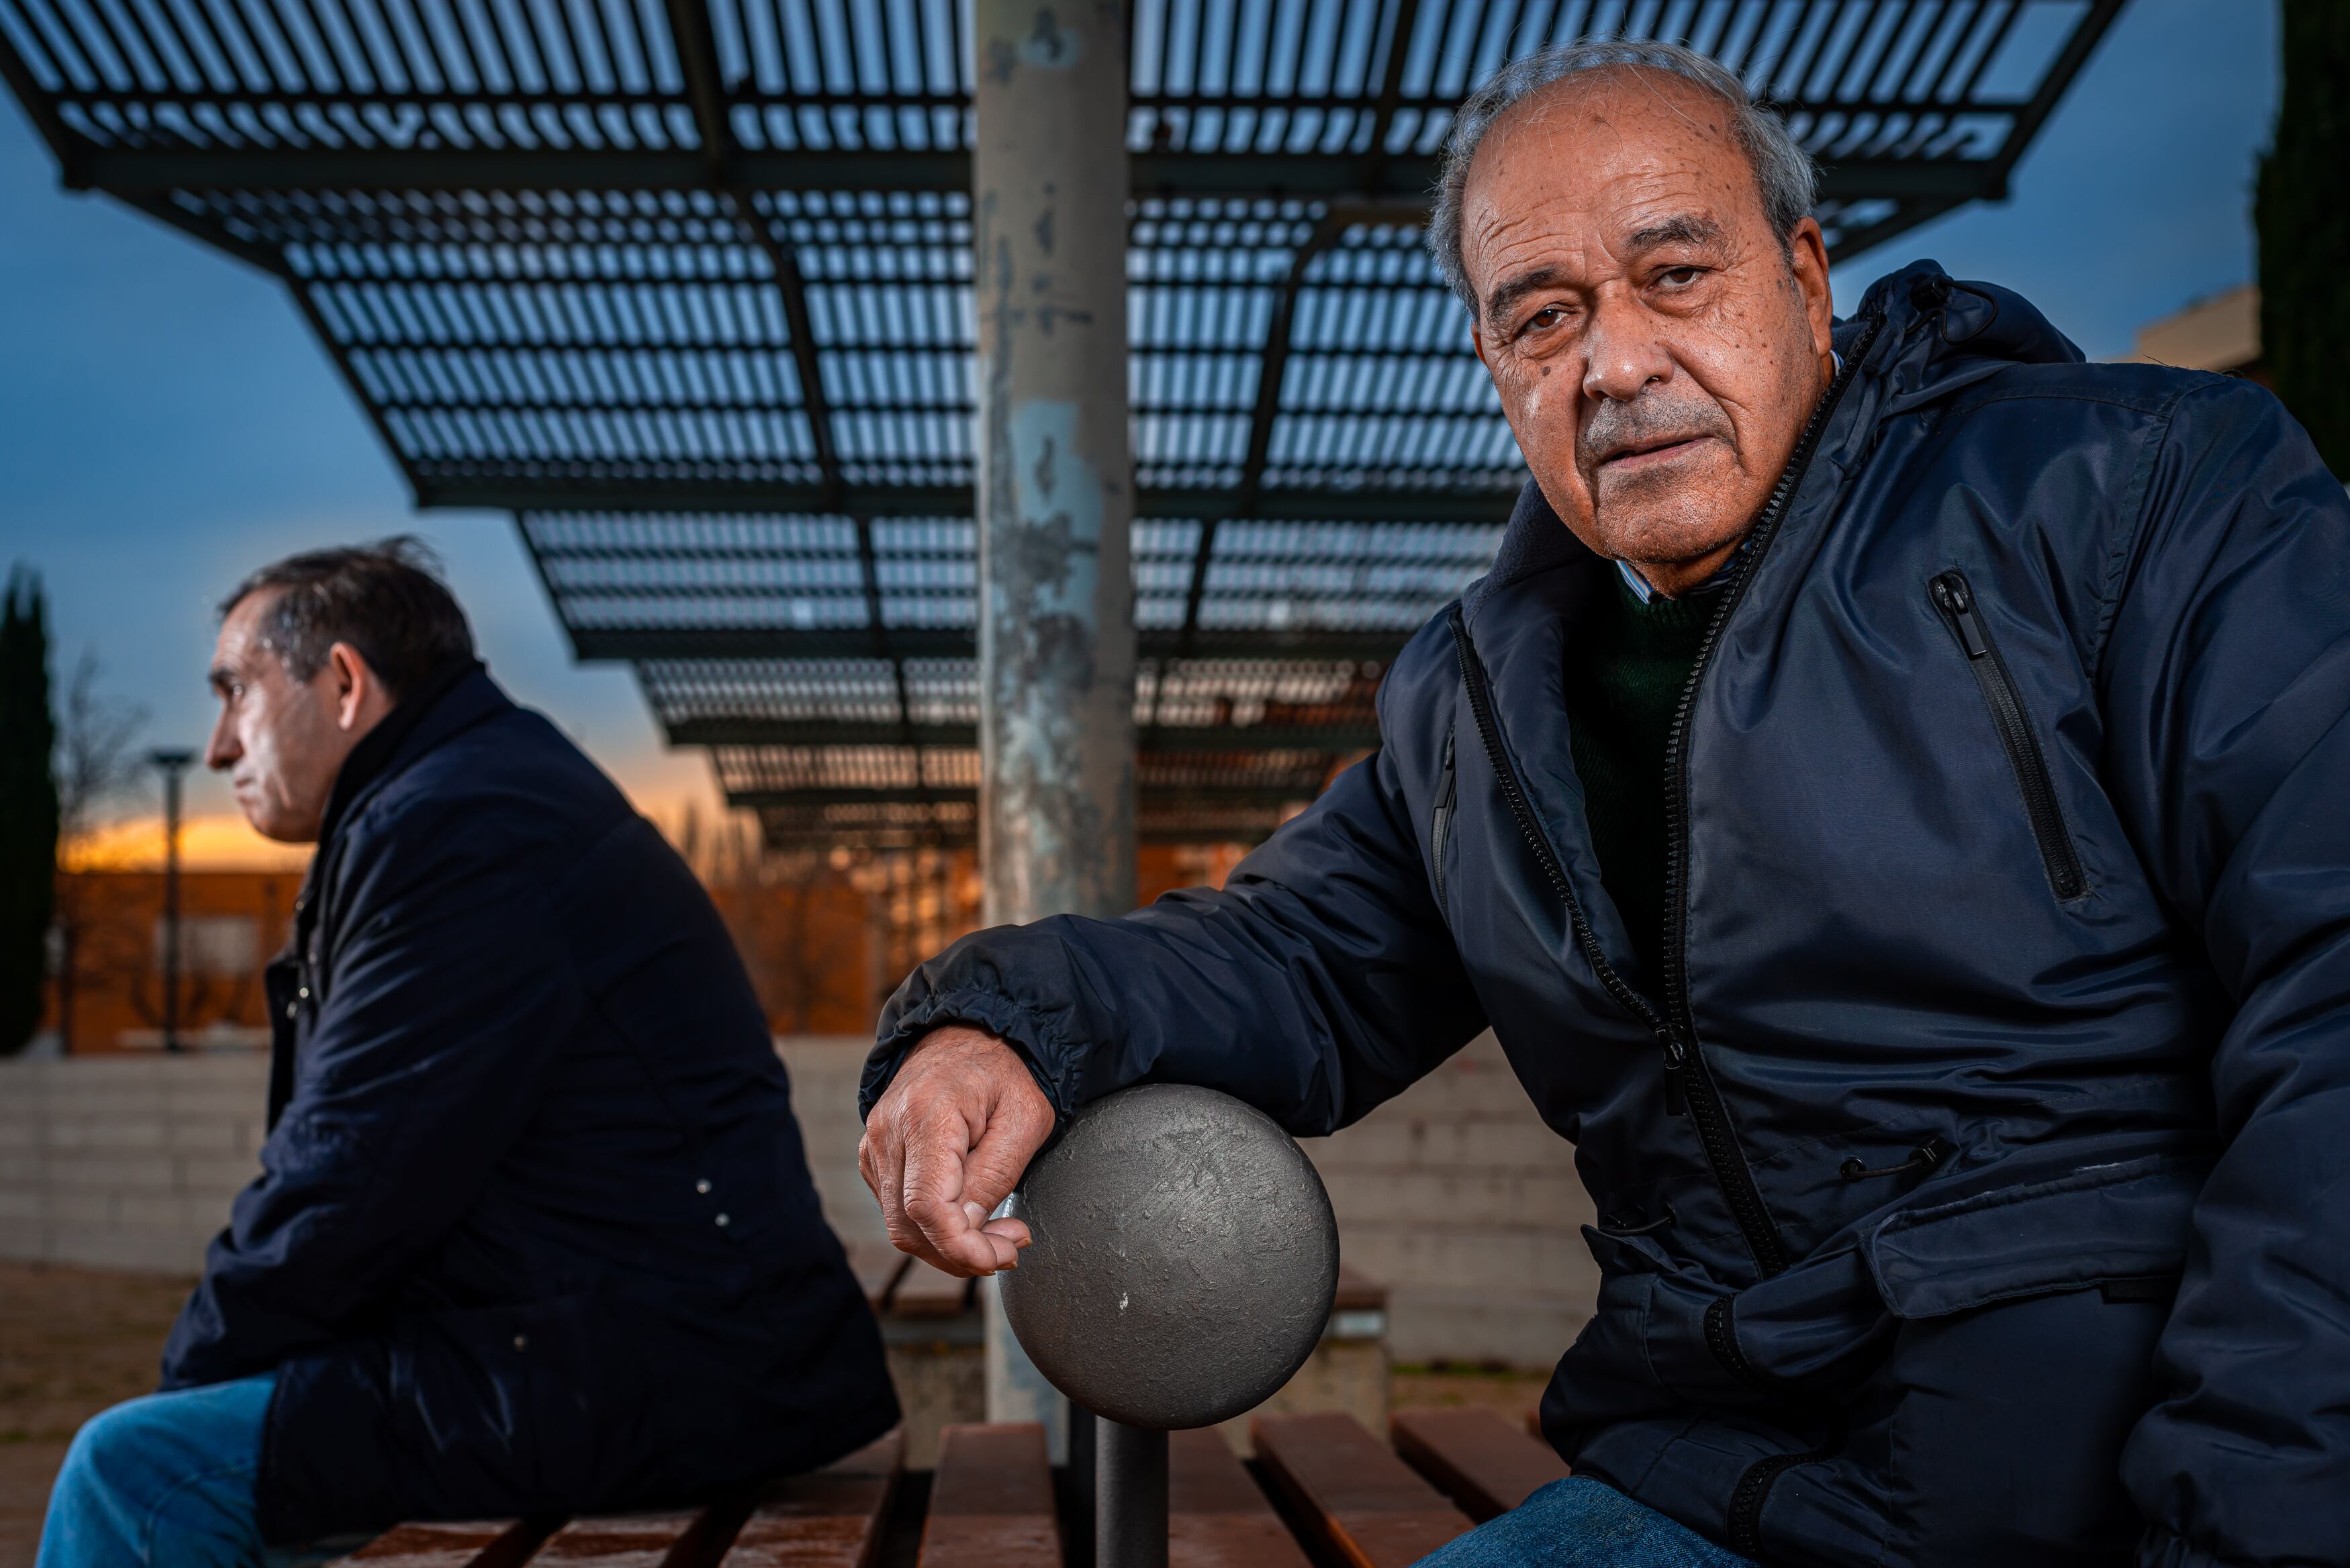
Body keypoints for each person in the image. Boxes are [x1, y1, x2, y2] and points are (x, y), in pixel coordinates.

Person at [855, 40, 2350, 1568]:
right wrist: (1000, 1021)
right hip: (1723, 1486)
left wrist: (2259, 1518)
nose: (1616, 363)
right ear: (1499, 372)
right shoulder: (1478, 700)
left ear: (1807, 278)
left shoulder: (2141, 491)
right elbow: (1294, 959)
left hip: (2131, 1495)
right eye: (1544, 317)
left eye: (1675, 275)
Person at [39, 541, 897, 1568]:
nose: (220, 745)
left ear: (345, 682)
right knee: (243, 1444)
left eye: (236, 692)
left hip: (661, 1373)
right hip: (666, 1351)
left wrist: (189, 1385)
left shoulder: (459, 828)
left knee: (139, 1470)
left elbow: (347, 1181)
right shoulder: (477, 795)